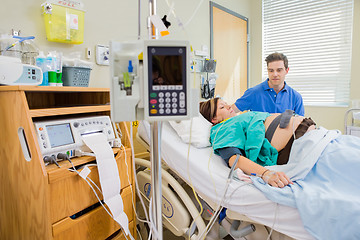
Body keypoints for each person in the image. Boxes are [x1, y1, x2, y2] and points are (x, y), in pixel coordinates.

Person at [200, 97, 316, 188]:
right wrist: (266, 174)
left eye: (226, 103)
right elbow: (235, 160)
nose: (228, 106)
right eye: (222, 107)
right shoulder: (221, 129)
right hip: (292, 144)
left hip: (303, 133)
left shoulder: (236, 120)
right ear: (214, 119)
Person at [231, 52, 304, 116]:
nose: (275, 74)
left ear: (286, 70)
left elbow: (300, 125)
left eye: (279, 70)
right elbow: (230, 112)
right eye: (271, 70)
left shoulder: (296, 97)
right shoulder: (253, 93)